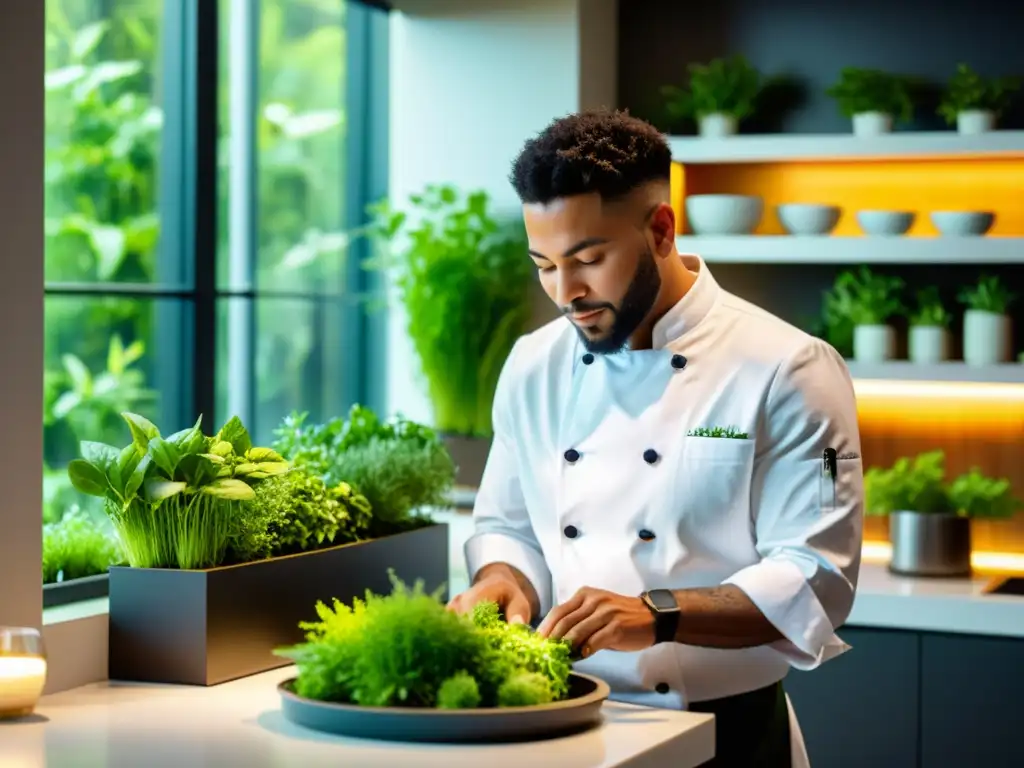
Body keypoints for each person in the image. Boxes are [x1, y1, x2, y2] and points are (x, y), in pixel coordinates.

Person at [446, 109, 864, 767]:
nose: (566, 292)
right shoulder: (533, 363)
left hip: (726, 738)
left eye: (589, 259)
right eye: (545, 265)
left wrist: (658, 613)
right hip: (560, 724)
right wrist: (504, 581)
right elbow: (509, 524)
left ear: (661, 230)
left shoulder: (789, 367)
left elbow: (816, 577)